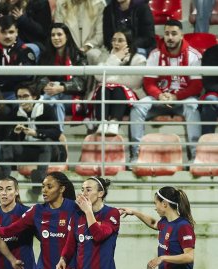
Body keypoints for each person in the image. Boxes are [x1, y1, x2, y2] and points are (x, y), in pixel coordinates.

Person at [129, 19, 202, 162]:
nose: (170, 37)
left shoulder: (194, 55)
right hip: (159, 99)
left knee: (192, 106)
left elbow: (196, 86)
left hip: (182, 100)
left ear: (182, 35)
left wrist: (176, 97)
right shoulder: (155, 54)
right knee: (137, 107)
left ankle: (195, 157)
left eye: (174, 33)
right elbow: (149, 82)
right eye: (167, 33)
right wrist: (159, 95)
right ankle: (136, 156)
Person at [0, 83, 63, 193]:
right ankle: (5, 177)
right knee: (7, 142)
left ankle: (40, 180)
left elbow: (56, 132)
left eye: (25, 96)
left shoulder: (46, 109)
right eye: (19, 97)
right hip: (26, 151)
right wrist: (14, 132)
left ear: (34, 97)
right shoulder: (15, 112)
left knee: (46, 142)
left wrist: (36, 133)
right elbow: (7, 136)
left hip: (47, 152)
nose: (22, 100)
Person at [91, 28, 146, 136]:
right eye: (114, 40)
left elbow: (135, 81)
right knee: (104, 88)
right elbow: (97, 76)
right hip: (107, 99)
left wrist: (109, 79)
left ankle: (115, 123)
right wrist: (115, 58)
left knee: (118, 88)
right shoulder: (105, 56)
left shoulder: (139, 59)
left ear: (128, 43)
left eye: (120, 40)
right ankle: (102, 122)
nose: (116, 43)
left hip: (129, 101)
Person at [36, 23, 88, 132]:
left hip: (70, 95)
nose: (56, 38)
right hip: (50, 92)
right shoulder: (45, 55)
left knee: (49, 102)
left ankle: (48, 135)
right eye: (53, 35)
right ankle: (58, 135)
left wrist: (61, 87)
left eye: (59, 34)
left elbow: (81, 82)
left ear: (67, 36)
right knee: (54, 102)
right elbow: (39, 77)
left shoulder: (78, 55)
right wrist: (46, 85)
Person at [0, 14, 36, 99]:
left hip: (15, 93)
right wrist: (12, 73)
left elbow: (26, 76)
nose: (7, 36)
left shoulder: (25, 51)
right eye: (3, 32)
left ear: (16, 32)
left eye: (11, 32)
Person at [54, 0, 106, 64]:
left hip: (92, 47)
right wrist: (72, 48)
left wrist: (87, 46)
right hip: (69, 47)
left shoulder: (98, 4)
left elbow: (100, 35)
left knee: (93, 54)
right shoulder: (61, 4)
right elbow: (58, 30)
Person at [199, 44, 218, 135]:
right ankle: (206, 143)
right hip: (215, 92)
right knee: (210, 100)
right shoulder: (210, 53)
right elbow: (208, 83)